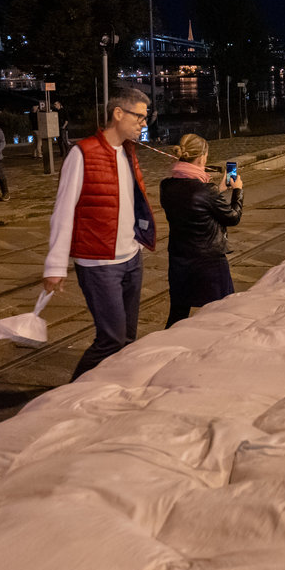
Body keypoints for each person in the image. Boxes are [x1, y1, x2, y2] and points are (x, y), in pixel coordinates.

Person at [43, 87, 158, 380]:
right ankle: (71, 396)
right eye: (140, 117)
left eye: (146, 118)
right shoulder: (82, 154)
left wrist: (137, 242)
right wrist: (55, 266)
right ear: (118, 114)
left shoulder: (129, 152)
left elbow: (131, 201)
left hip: (131, 258)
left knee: (128, 339)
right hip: (98, 263)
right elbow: (63, 211)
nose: (144, 123)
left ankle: (108, 391)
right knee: (111, 339)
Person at [160, 134, 243, 328]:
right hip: (209, 264)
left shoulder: (166, 186)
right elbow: (233, 217)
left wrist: (218, 191)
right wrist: (237, 190)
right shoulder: (206, 190)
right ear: (202, 158)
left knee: (178, 315)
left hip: (180, 262)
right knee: (222, 314)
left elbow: (192, 204)